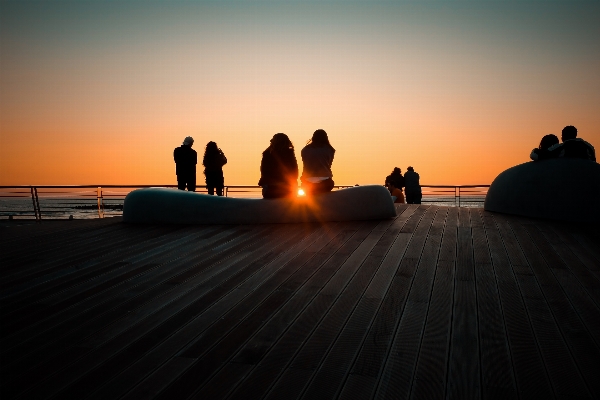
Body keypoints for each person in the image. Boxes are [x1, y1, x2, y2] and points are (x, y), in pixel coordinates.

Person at [258, 133, 299, 199]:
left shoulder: (267, 153)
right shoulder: (289, 153)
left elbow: (264, 171)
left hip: (270, 189)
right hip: (287, 188)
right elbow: (295, 172)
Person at [300, 129, 335, 195]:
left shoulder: (304, 150)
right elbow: (328, 165)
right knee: (331, 183)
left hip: (307, 183)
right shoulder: (330, 149)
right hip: (325, 183)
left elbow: (306, 164)